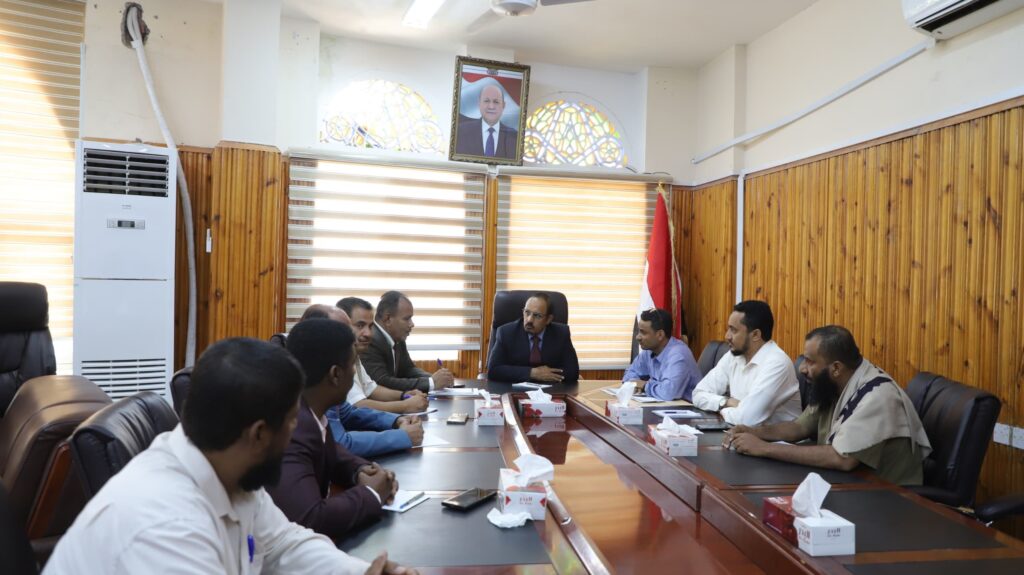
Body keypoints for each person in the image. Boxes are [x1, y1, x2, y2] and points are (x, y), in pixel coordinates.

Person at [44, 338, 416, 575]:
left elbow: (283, 545)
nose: (298, 432)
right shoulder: (166, 530)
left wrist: (360, 571)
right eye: (292, 421)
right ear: (258, 434)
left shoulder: (228, 470)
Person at [724, 325, 931, 485]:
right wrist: (753, 432)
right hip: (848, 485)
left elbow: (841, 458)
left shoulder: (877, 395)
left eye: (810, 361)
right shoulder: (833, 383)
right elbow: (799, 427)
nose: (802, 368)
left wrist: (764, 448)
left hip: (888, 497)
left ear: (836, 368)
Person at [266, 318, 398, 540]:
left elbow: (331, 452)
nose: (355, 373)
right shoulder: (291, 428)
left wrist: (361, 471)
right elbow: (311, 520)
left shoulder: (307, 409)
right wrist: (371, 493)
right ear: (335, 374)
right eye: (353, 364)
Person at [288, 309, 424, 459]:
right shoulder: (305, 397)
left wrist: (396, 420)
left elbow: (349, 413)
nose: (353, 336)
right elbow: (339, 445)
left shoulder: (317, 381)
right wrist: (402, 436)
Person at [690, 300, 802, 426]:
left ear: (755, 335)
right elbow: (697, 394)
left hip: (774, 438)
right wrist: (726, 402)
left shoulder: (777, 363)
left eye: (734, 330)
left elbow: (746, 420)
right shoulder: (734, 355)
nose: (727, 336)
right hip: (740, 432)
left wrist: (722, 410)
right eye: (728, 329)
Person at [337, 297, 429, 415]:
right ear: (342, 326)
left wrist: (405, 395)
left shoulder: (354, 353)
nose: (368, 333)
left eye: (370, 326)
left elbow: (372, 389)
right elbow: (357, 405)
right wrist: (405, 405)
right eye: (360, 325)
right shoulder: (336, 357)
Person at [361, 291, 454, 393]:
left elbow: (408, 369)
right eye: (407, 319)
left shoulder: (397, 338)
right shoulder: (370, 341)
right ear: (387, 319)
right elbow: (382, 382)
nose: (412, 324)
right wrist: (431, 382)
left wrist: (436, 378)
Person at [487, 292, 579, 383]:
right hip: (515, 387)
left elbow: (572, 371)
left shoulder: (561, 333)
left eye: (537, 316)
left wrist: (547, 375)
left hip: (551, 389)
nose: (529, 320)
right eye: (527, 312)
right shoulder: (506, 333)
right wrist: (532, 373)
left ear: (548, 319)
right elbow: (493, 370)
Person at [622, 308, 701, 401]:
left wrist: (644, 385)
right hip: (666, 405)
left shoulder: (678, 355)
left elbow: (668, 393)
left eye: (643, 332)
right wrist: (634, 384)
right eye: (639, 331)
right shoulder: (649, 350)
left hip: (687, 407)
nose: (637, 337)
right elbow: (629, 373)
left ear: (660, 335)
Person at [455, 82, 518, 159]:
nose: (491, 106)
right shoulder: (461, 131)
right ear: (479, 103)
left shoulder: (515, 137)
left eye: (496, 102)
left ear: (503, 105)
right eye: (486, 101)